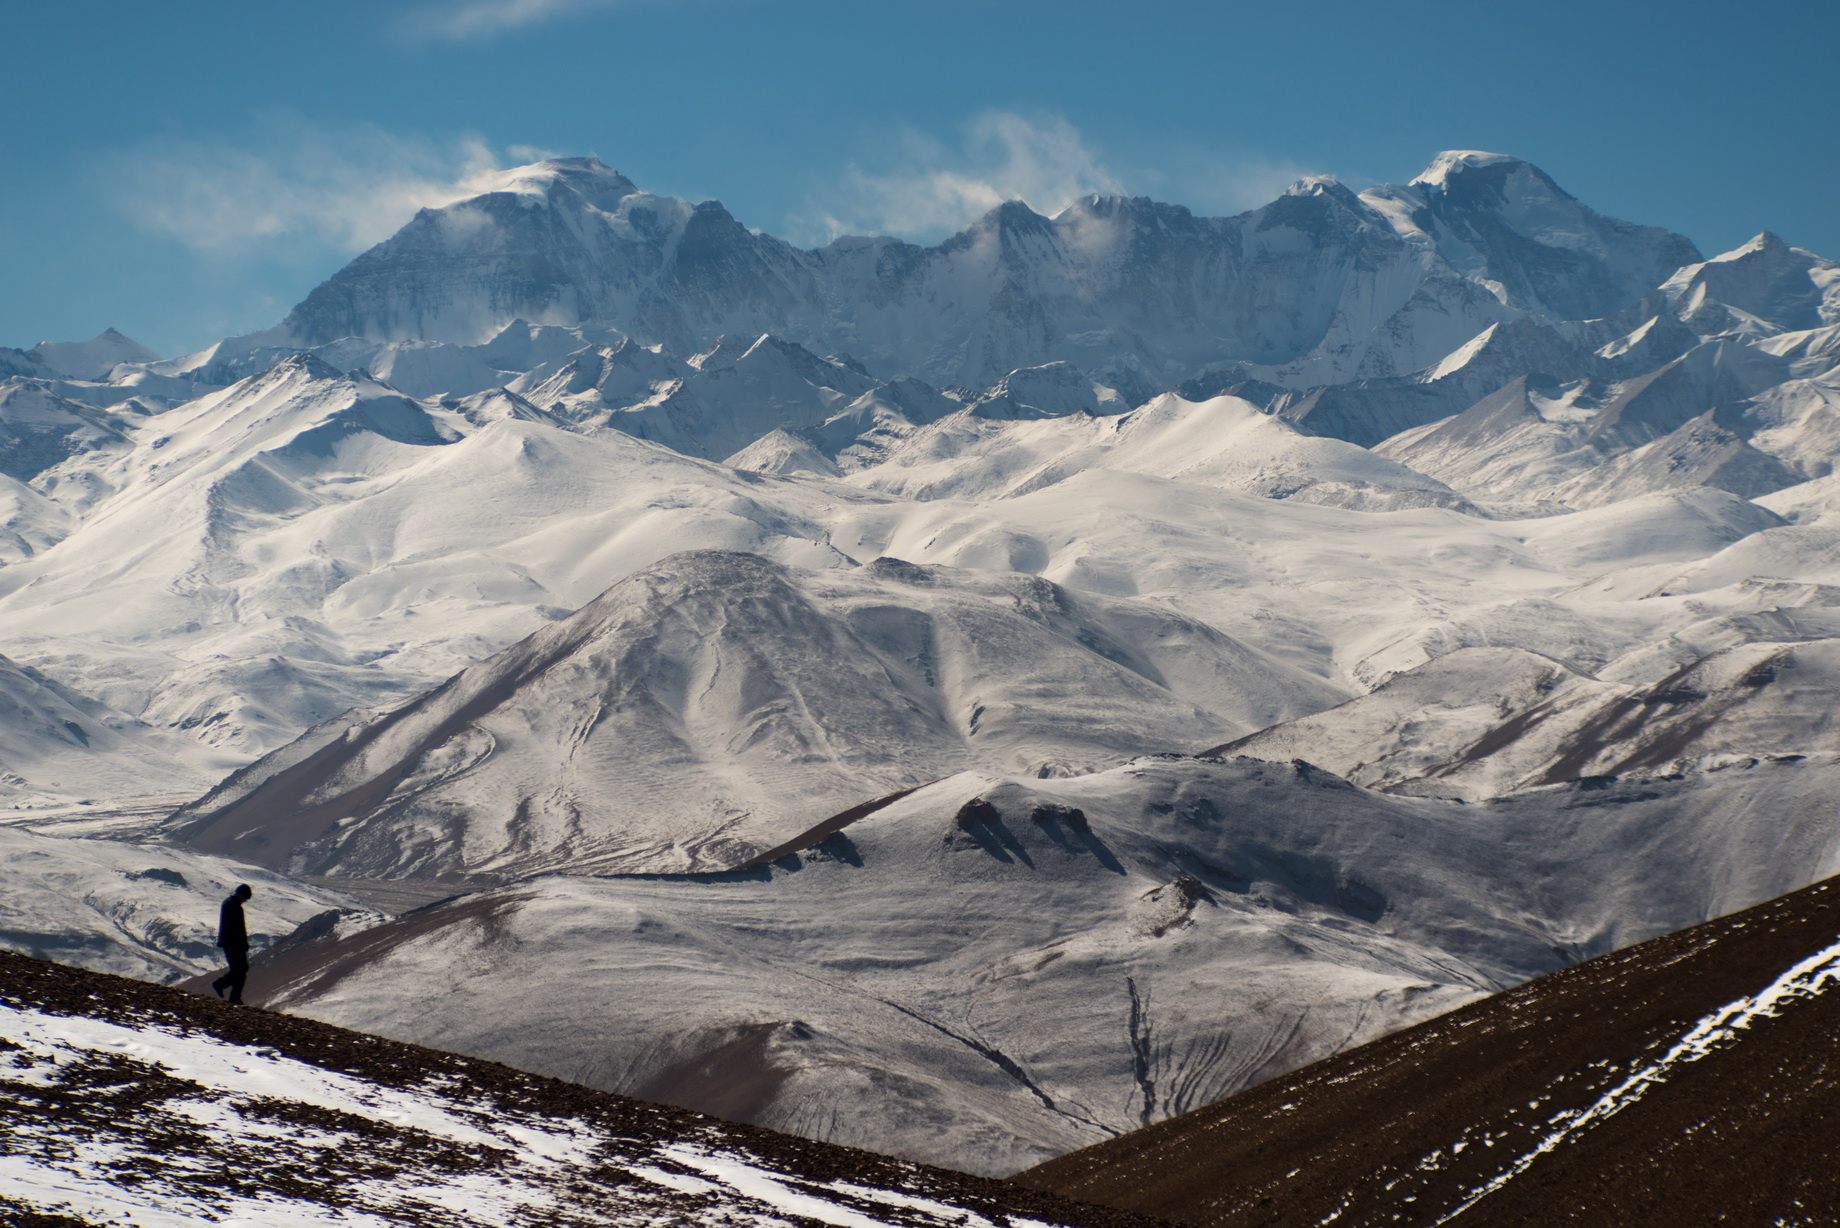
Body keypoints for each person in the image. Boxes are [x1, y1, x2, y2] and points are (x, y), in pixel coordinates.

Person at [211, 884, 253, 1005]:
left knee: (240, 969)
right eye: (246, 898)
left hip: (230, 942)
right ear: (242, 895)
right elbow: (238, 928)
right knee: (240, 969)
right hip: (233, 943)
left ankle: (232, 994)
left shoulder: (229, 903)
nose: (245, 901)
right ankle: (225, 988)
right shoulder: (233, 906)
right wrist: (242, 943)